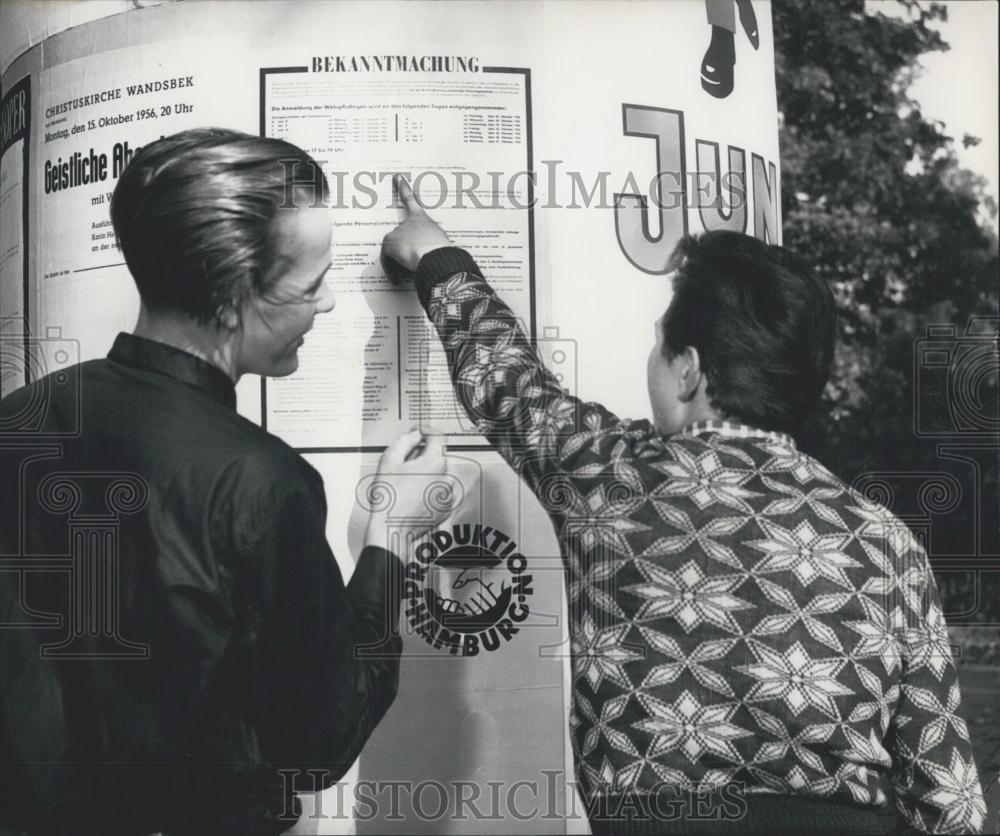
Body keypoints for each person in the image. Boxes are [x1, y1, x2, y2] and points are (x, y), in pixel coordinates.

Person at [381, 176, 986, 835]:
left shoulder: (608, 478)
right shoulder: (887, 543)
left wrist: (436, 255)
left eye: (659, 344)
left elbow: (506, 380)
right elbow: (947, 796)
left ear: (690, 370)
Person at [0, 129, 450, 836]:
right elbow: (317, 743)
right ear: (235, 299)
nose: (329, 303)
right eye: (311, 284)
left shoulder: (17, 420)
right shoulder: (261, 485)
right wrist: (391, 533)